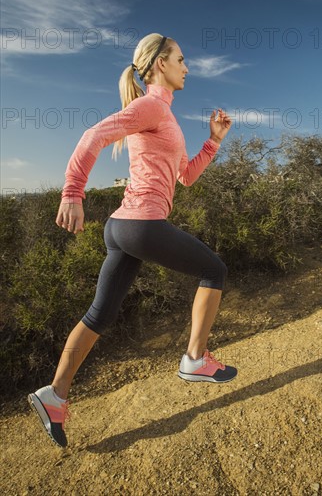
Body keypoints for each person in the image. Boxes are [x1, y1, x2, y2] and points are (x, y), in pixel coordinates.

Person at [27, 33, 236, 448]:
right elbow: (93, 136)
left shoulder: (165, 117)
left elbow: (185, 177)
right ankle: (195, 359)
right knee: (214, 270)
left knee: (99, 316)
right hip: (140, 225)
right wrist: (72, 192)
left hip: (123, 228)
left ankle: (54, 395)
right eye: (180, 59)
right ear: (160, 63)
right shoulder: (149, 106)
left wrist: (213, 140)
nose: (187, 67)